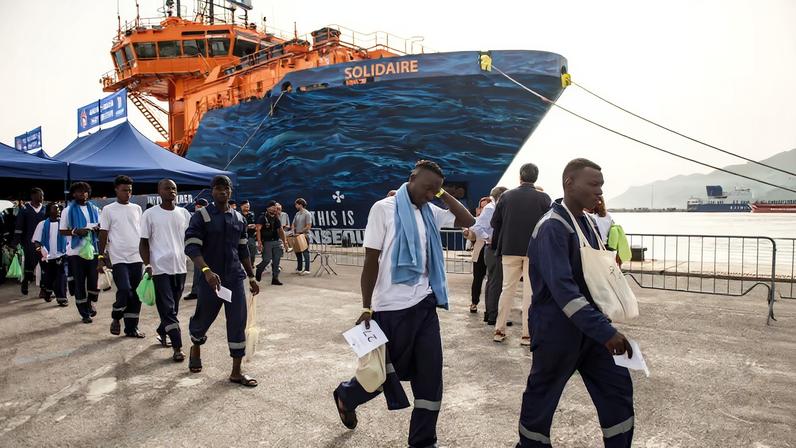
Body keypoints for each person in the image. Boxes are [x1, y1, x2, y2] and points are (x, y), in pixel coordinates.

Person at [333, 160, 475, 447]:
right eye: (426, 187)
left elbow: (467, 221)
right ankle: (346, 396)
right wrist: (365, 306)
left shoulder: (430, 211)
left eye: (434, 190)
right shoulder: (382, 209)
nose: (429, 194)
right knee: (383, 376)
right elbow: (371, 261)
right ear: (411, 178)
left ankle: (423, 441)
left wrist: (441, 194)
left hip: (424, 305)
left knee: (431, 375)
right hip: (389, 309)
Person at [516, 158, 634, 447]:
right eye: (593, 185)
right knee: (541, 399)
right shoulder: (552, 227)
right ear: (569, 183)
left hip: (591, 330)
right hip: (557, 332)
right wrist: (606, 332)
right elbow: (564, 291)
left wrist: (603, 325)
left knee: (617, 389)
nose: (600, 192)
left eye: (602, 186)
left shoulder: (589, 223)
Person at [185, 175, 260, 387]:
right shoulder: (202, 216)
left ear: (231, 191)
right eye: (218, 188)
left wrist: (251, 276)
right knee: (203, 319)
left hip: (234, 278)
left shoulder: (239, 218)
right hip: (211, 280)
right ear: (212, 192)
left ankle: (236, 372)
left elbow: (243, 249)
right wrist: (206, 271)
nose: (223, 192)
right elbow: (191, 246)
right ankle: (196, 345)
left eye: (226, 188)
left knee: (238, 321)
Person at [491, 163, 551, 345]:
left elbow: (495, 223)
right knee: (529, 293)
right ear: (536, 177)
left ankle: (499, 330)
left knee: (507, 289)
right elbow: (549, 225)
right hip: (534, 250)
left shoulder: (506, 196)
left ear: (520, 177)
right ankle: (527, 334)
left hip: (509, 249)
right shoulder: (544, 198)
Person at [140, 179, 192, 362]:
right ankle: (177, 347)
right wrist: (147, 265)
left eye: (174, 188)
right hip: (159, 268)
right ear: (159, 191)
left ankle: (162, 330)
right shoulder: (150, 214)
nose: (171, 191)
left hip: (180, 267)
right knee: (168, 309)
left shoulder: (184, 213)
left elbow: (190, 238)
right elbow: (144, 242)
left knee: (174, 308)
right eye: (167, 188)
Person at [98, 175, 145, 338]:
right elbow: (103, 234)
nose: (128, 193)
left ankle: (132, 328)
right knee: (124, 290)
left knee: (137, 294)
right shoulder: (108, 210)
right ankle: (116, 317)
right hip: (118, 258)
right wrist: (100, 257)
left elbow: (141, 233)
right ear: (116, 190)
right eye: (124, 190)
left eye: (130, 190)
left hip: (137, 257)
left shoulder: (137, 208)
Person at [59, 182, 101, 323]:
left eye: (84, 191)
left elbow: (102, 227)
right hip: (75, 253)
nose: (82, 194)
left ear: (88, 193)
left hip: (93, 251)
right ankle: (84, 313)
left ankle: (90, 303)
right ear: (73, 194)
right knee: (79, 283)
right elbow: (62, 231)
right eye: (78, 191)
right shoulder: (67, 211)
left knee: (93, 282)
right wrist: (76, 231)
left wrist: (97, 229)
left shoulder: (95, 209)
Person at [470, 187, 508, 324]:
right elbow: (476, 227)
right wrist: (489, 238)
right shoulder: (491, 208)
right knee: (495, 283)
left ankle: (490, 313)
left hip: (491, 249)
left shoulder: (491, 208)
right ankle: (493, 316)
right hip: (493, 249)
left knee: (492, 282)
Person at [32, 202, 68, 307]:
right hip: (47, 257)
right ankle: (47, 292)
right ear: (49, 211)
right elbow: (36, 241)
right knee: (49, 278)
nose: (58, 211)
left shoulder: (64, 224)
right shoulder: (42, 224)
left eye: (59, 209)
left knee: (61, 276)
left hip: (61, 255)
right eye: (55, 209)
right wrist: (40, 250)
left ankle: (62, 298)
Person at [13, 187, 46, 297]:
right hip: (29, 243)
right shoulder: (25, 210)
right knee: (30, 265)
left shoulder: (45, 209)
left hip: (43, 243)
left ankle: (44, 289)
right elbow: (19, 227)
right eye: (40, 195)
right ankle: (26, 282)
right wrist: (15, 242)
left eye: (42, 195)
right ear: (33, 196)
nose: (42, 197)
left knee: (44, 265)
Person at [462, 196, 492, 313]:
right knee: (477, 279)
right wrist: (467, 233)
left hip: (492, 250)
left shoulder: (495, 219)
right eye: (481, 207)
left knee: (492, 280)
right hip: (480, 251)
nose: (483, 209)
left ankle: (490, 307)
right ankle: (474, 302)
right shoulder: (476, 221)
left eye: (486, 207)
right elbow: (473, 236)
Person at [255, 200, 289, 285]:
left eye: (275, 208)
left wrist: (285, 242)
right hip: (267, 242)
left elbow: (280, 230)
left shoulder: (276, 218)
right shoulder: (262, 217)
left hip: (277, 241)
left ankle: (275, 279)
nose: (274, 209)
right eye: (273, 207)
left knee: (276, 261)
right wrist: (259, 242)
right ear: (267, 208)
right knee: (266, 260)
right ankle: (259, 268)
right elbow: (258, 230)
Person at [183, 198, 208, 301]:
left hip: (201, 247)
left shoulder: (199, 216)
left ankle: (196, 291)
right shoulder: (207, 215)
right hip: (202, 247)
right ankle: (197, 291)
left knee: (200, 270)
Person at [292, 198, 312, 275]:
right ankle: (299, 268)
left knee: (305, 252)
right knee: (297, 252)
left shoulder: (307, 214)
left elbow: (308, 226)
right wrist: (293, 230)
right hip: (297, 235)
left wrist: (300, 232)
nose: (295, 206)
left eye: (296, 204)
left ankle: (307, 269)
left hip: (304, 235)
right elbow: (293, 224)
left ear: (300, 204)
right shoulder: (297, 214)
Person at [240, 200, 258, 266]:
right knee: (242, 251)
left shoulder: (252, 214)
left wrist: (254, 226)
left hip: (250, 235)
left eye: (248, 207)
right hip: (241, 236)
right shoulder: (238, 214)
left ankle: (251, 264)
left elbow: (255, 223)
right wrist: (247, 227)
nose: (247, 208)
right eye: (245, 207)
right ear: (241, 207)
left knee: (252, 251)